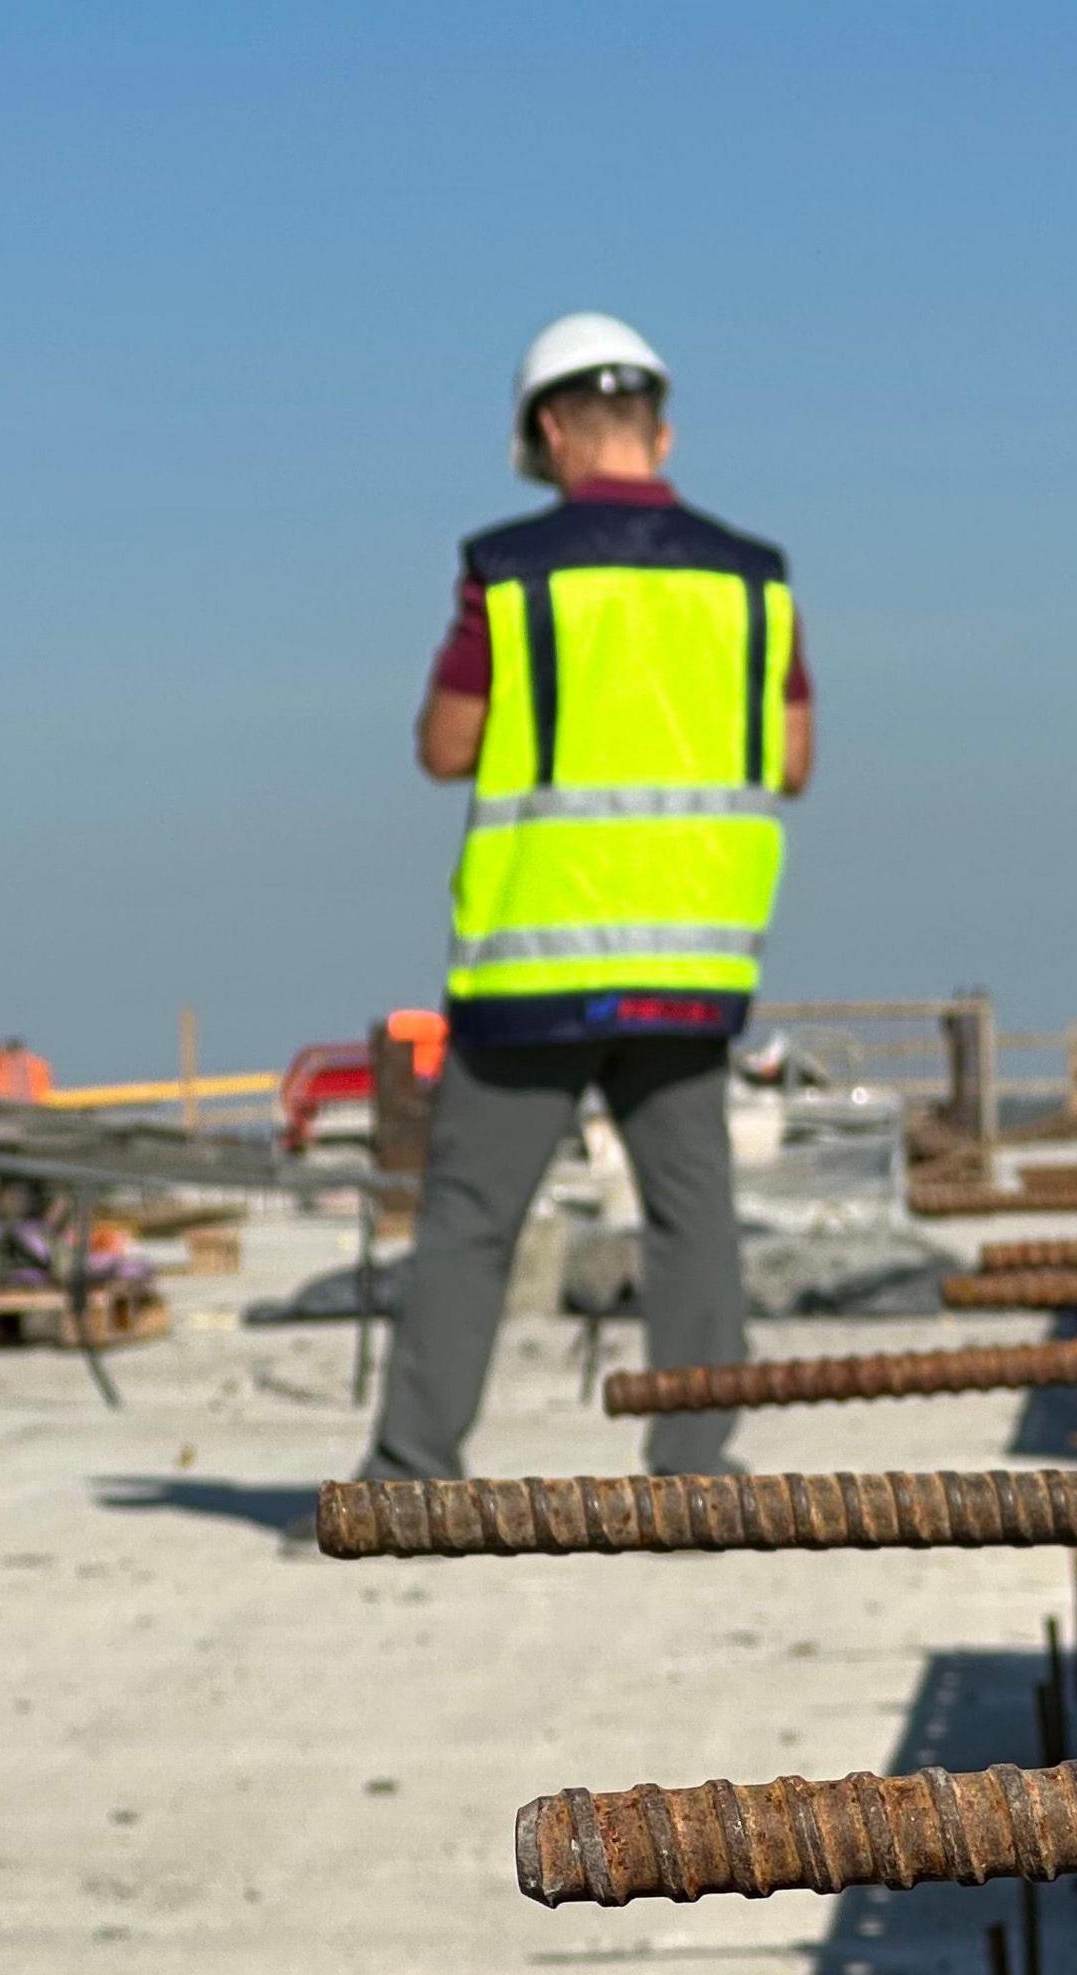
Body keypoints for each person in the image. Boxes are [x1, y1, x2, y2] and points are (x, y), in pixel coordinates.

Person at [346, 312, 813, 1485]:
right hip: (689, 963)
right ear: (660, 429)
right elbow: (792, 759)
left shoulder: (508, 573)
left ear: (550, 430)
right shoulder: (752, 582)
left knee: (469, 1225)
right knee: (691, 1221)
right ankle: (698, 1470)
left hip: (531, 965)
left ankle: (412, 1473)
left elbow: (446, 745)